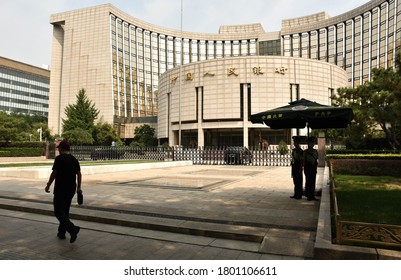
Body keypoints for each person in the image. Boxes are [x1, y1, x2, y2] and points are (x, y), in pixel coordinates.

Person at [45, 140, 82, 243]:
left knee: (58, 211)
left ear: (61, 148)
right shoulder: (74, 159)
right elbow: (79, 174)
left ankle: (72, 229)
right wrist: (79, 187)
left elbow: (54, 173)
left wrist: (48, 185)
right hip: (71, 189)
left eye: (59, 148)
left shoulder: (59, 159)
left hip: (61, 188)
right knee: (65, 211)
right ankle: (61, 233)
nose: (58, 150)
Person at [304, 137, 318, 201]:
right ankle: (308, 195)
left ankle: (312, 195)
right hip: (308, 167)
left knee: (313, 181)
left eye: (313, 142)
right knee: (308, 181)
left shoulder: (315, 151)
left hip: (313, 167)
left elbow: (316, 159)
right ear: (308, 143)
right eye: (310, 142)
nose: (312, 144)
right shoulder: (305, 152)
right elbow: (304, 160)